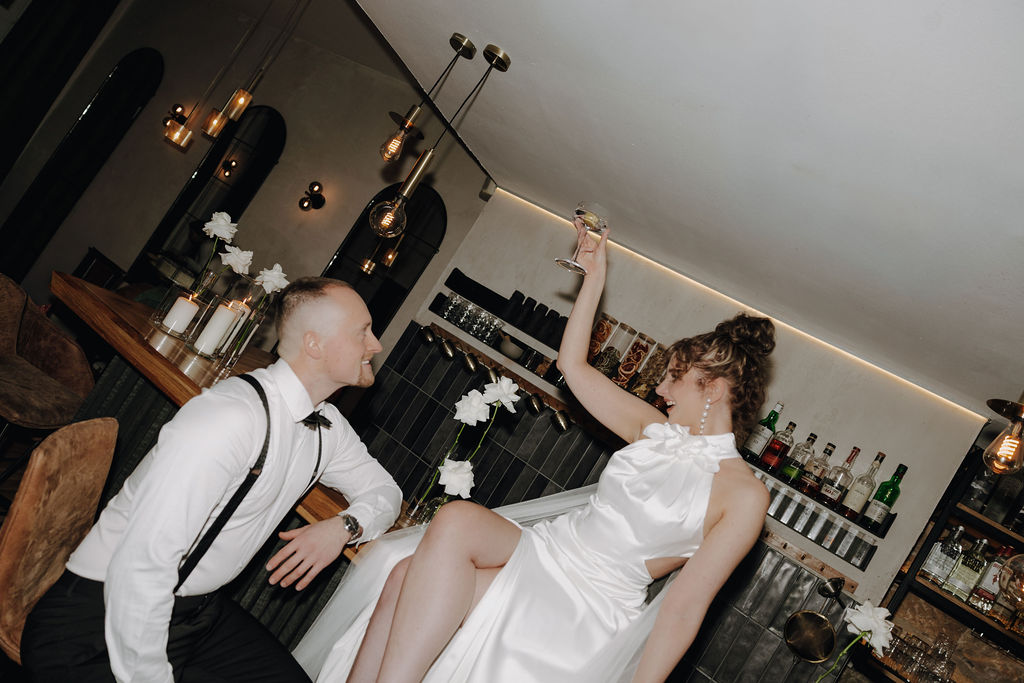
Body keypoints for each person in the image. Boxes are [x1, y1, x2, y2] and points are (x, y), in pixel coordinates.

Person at [295, 226, 775, 682]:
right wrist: (594, 279)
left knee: (411, 571)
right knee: (424, 552)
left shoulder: (744, 496)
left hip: (592, 602)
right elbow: (572, 366)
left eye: (674, 377)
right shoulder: (656, 431)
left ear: (712, 389)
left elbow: (685, 607)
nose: (661, 387)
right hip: (544, 548)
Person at [21, 277, 403, 683]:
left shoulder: (328, 426)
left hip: (197, 612)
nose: (376, 345)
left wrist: (344, 527)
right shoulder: (229, 418)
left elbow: (385, 492)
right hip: (100, 618)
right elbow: (140, 567)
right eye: (362, 332)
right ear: (314, 344)